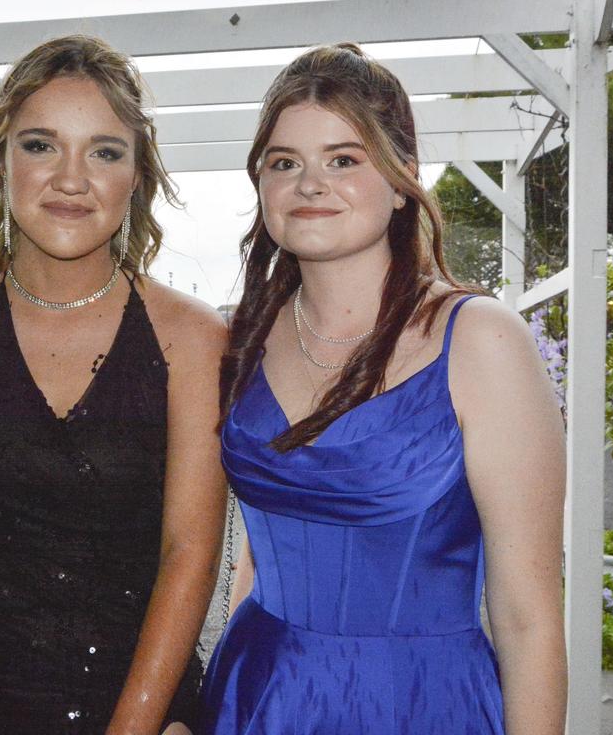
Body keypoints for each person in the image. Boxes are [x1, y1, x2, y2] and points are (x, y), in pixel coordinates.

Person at [197, 44, 567, 734]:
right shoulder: (239, 339)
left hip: (419, 703)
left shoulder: (481, 343)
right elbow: (261, 541)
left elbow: (528, 620)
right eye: (285, 163)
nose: (310, 184)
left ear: (402, 181)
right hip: (258, 694)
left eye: (343, 159)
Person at [0, 35, 227, 735]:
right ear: (0, 163)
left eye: (104, 151)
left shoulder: (191, 340)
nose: (72, 178)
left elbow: (190, 552)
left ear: (137, 176)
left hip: (142, 699)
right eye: (41, 145)